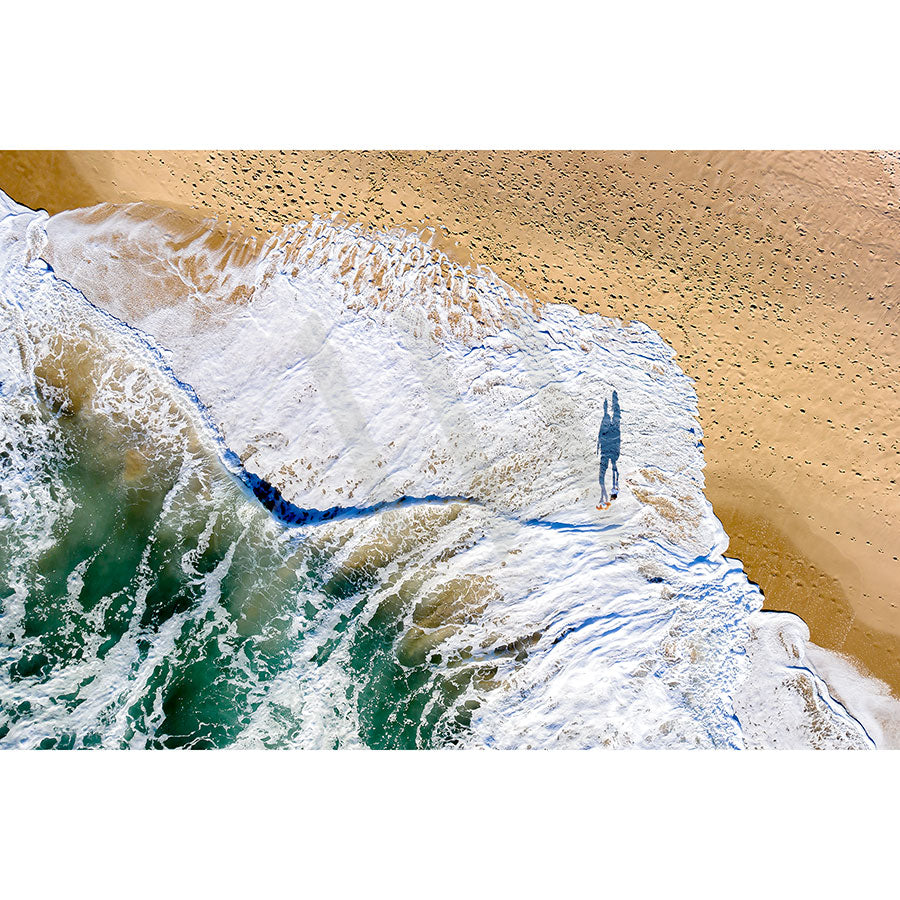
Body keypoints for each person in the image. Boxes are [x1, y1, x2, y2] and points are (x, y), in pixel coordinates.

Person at [596, 390, 621, 509]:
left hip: (609, 445)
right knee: (611, 468)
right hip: (610, 445)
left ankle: (607, 493)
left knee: (609, 468)